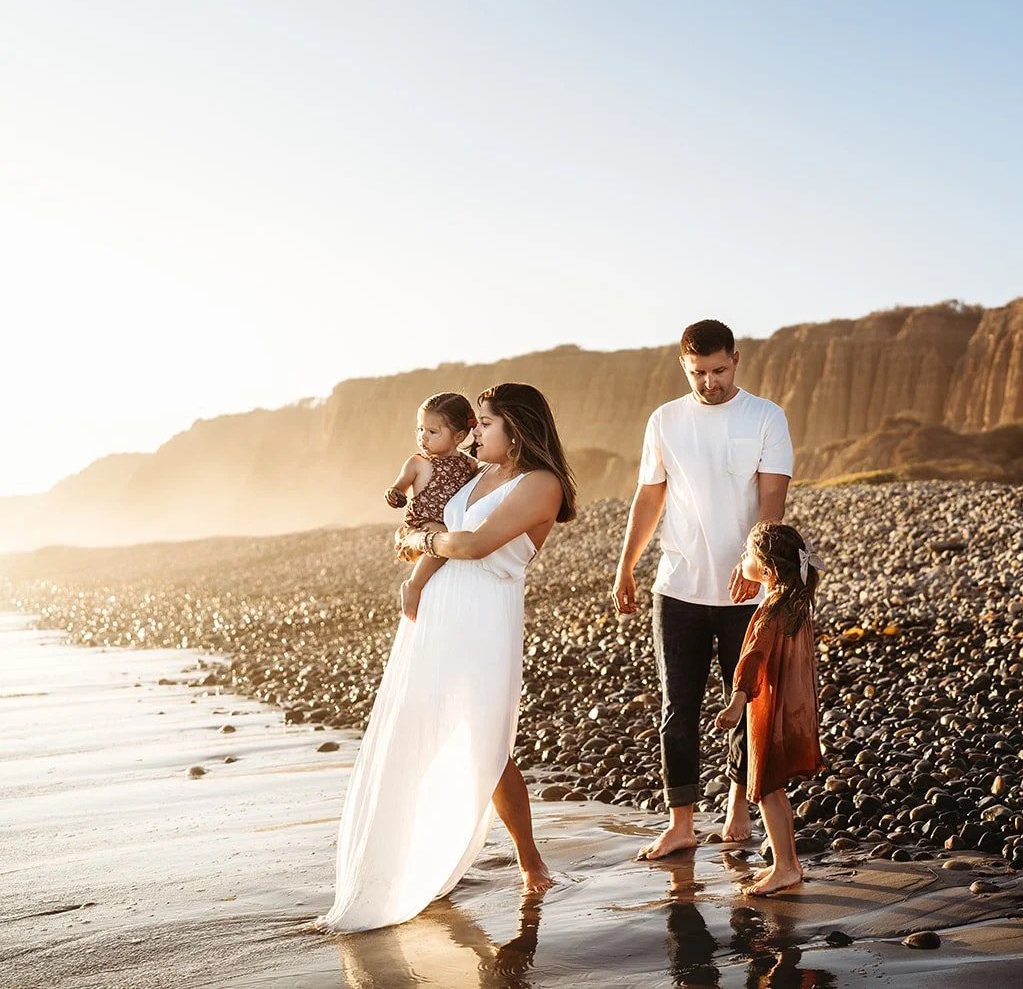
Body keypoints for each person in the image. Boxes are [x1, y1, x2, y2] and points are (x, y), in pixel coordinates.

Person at [315, 383, 578, 934]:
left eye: (485, 423)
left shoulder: (541, 484)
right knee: (421, 728)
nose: (475, 431)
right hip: (440, 610)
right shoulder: (478, 474)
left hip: (484, 613)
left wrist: (423, 545)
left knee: (486, 738)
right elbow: (432, 522)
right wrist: (419, 563)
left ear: (517, 428)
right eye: (476, 423)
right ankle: (413, 859)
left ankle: (531, 863)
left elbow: (475, 545)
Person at [613, 319, 793, 860]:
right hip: (678, 587)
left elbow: (772, 501)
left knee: (746, 703)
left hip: (747, 593)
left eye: (717, 370)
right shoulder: (665, 420)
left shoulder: (765, 416)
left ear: (735, 360)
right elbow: (650, 498)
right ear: (683, 366)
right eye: (698, 373)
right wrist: (626, 566)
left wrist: (753, 561)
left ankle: (739, 808)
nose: (709, 382)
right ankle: (681, 824)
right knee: (678, 706)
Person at [716, 521, 825, 896]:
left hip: (771, 711)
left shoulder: (770, 609)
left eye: (747, 554)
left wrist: (736, 701)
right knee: (772, 788)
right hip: (794, 710)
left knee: (766, 789)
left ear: (765, 569)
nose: (742, 559)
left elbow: (753, 658)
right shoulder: (794, 603)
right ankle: (787, 863)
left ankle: (785, 867)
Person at [384, 392, 480, 621]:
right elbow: (398, 487)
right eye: (420, 429)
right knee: (443, 536)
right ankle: (413, 585)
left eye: (432, 431)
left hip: (450, 527)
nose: (422, 437)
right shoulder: (418, 463)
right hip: (422, 525)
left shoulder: (470, 464)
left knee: (450, 538)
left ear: (459, 436)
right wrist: (394, 495)